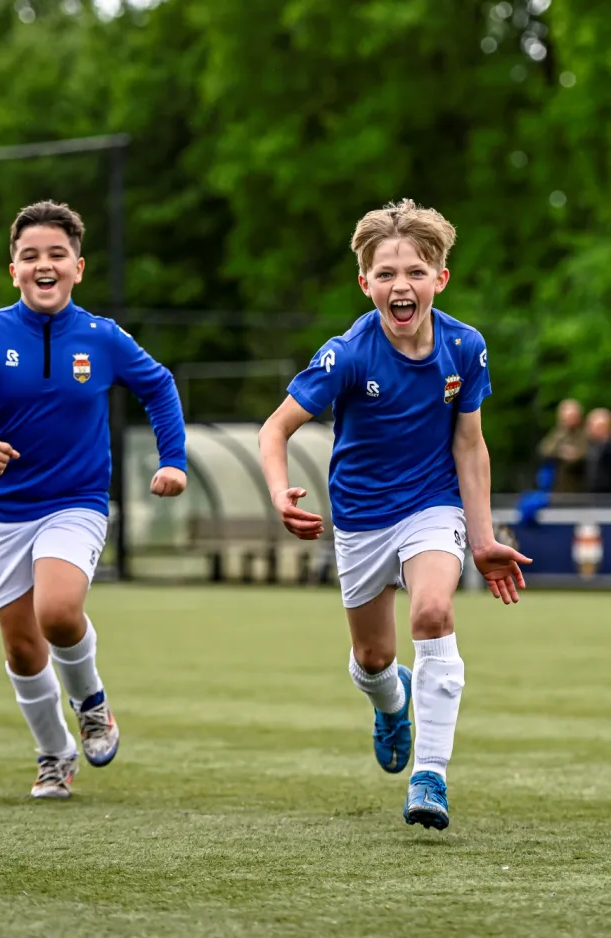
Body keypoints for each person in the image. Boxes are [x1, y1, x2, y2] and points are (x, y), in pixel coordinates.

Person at [258, 199, 531, 831]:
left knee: (434, 612)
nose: (400, 285)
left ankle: (430, 776)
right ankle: (391, 704)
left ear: (440, 278)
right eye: (385, 274)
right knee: (374, 659)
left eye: (414, 271)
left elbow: (469, 444)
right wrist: (278, 493)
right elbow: (276, 430)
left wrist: (483, 537)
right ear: (365, 284)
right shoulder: (348, 353)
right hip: (359, 519)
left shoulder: (466, 347)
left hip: (431, 507)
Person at [0, 200, 187, 799]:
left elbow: (159, 386)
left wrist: (173, 461)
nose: (43, 265)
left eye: (56, 255)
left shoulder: (102, 337)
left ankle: (92, 703)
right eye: (30, 256)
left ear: (79, 267)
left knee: (56, 612)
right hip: (3, 511)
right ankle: (54, 753)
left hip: (75, 503)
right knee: (23, 650)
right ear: (13, 270)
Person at [537, 399, 587, 494]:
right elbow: (544, 450)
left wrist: (575, 456)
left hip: (579, 485)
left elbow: (587, 454)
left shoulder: (584, 435)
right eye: (568, 416)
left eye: (573, 416)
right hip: (557, 486)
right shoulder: (557, 433)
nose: (571, 419)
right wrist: (561, 452)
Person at [584, 407, 611, 494]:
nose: (594, 429)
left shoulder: (608, 448)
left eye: (600, 426)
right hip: (587, 494)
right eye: (592, 425)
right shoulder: (584, 444)